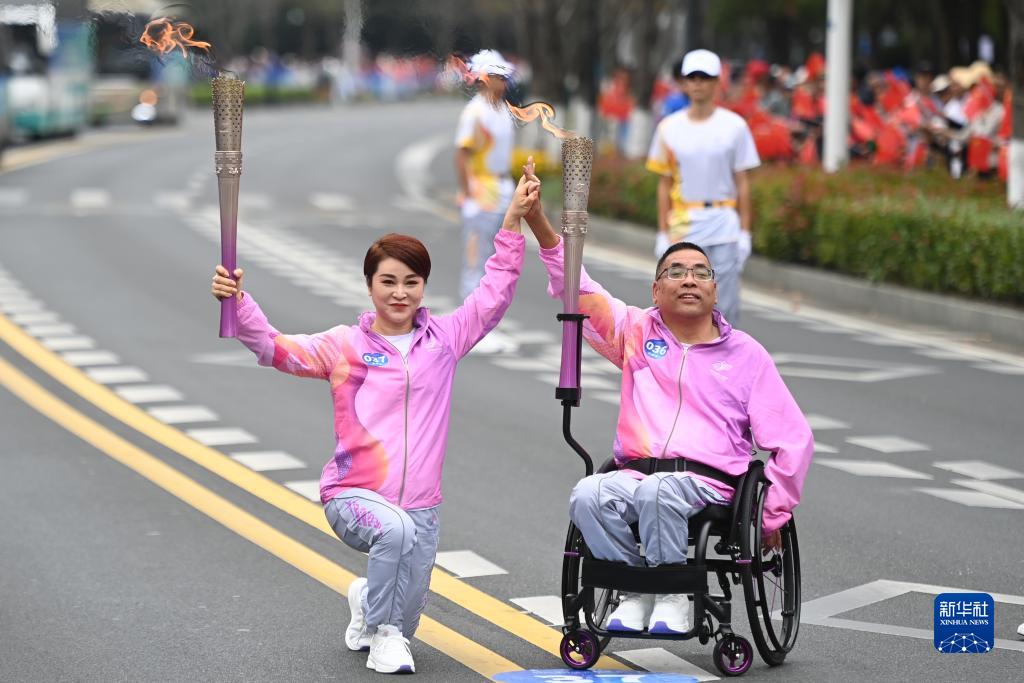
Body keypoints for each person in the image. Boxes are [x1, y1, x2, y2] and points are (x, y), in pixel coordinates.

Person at [210, 164, 539, 674]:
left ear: (423, 287)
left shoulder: (445, 341)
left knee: (410, 612)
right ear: (369, 286)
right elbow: (277, 349)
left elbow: (493, 294)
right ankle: (383, 632)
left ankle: (370, 602)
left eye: (411, 282)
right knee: (394, 557)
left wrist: (513, 221)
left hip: (421, 506)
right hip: (353, 496)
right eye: (388, 281)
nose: (399, 292)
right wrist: (239, 302)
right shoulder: (344, 346)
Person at [520, 182, 813, 634]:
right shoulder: (636, 332)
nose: (689, 279)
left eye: (701, 273)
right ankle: (634, 592)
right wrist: (538, 221)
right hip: (637, 475)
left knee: (661, 491)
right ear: (656, 290)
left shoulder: (746, 355)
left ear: (715, 290)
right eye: (676, 272)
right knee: (588, 495)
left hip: (710, 483)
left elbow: (793, 439)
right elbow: (578, 287)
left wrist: (771, 512)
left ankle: (675, 597)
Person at [647, 49, 761, 326]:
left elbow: (742, 182)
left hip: (723, 223)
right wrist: (662, 232)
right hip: (684, 225)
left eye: (705, 78)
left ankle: (724, 353)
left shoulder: (735, 127)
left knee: (726, 307)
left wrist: (744, 233)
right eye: (692, 78)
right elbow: (664, 184)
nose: (698, 84)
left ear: (717, 82)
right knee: (678, 303)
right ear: (684, 83)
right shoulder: (668, 128)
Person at [454, 49, 516, 301]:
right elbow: (462, 154)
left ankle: (490, 315)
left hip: (503, 187)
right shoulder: (475, 112)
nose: (504, 83)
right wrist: (468, 193)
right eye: (499, 78)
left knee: (499, 260)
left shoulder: (502, 110)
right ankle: (470, 313)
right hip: (481, 190)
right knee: (477, 258)